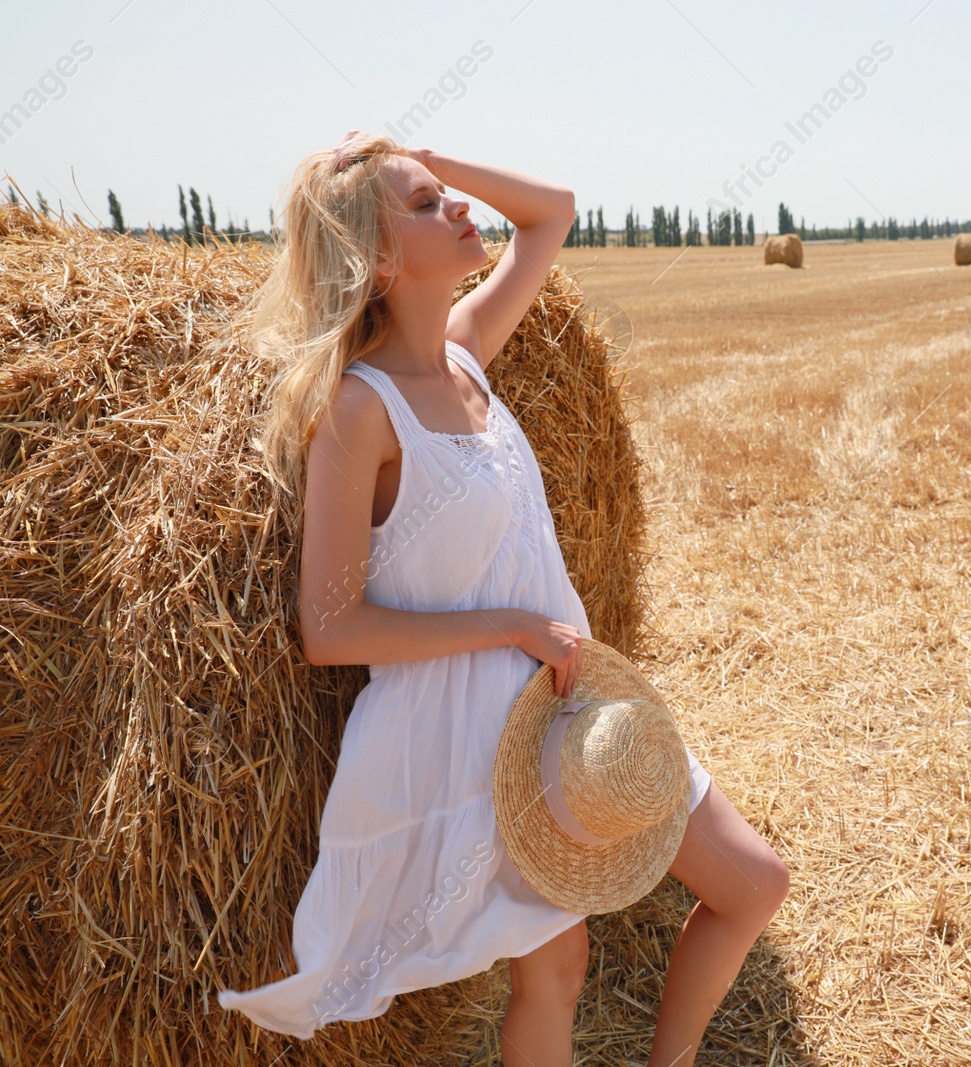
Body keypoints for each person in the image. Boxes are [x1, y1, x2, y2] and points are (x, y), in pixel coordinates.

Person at [220, 130, 789, 1067]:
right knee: (558, 966)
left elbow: (551, 213)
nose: (455, 208)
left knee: (754, 884)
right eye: (425, 204)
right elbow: (329, 628)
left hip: (570, 698)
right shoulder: (360, 411)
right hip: (468, 732)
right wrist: (513, 625)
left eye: (444, 194)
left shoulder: (465, 354)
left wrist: (427, 159)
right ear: (378, 257)